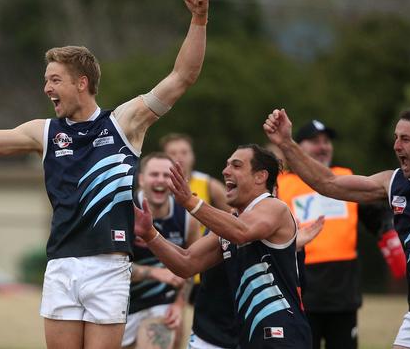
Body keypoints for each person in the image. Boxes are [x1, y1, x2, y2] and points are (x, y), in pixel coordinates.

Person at [0, 0, 208, 349]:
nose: (47, 88)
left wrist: (199, 19)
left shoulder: (124, 123)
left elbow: (181, 77)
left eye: (55, 80)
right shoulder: (44, 132)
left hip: (108, 266)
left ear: (82, 83)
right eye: (46, 80)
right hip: (62, 265)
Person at [264, 107, 410, 349]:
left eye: (405, 139)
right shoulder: (393, 183)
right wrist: (286, 143)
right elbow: (328, 183)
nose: (397, 146)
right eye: (396, 138)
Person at [135, 144, 313, 348]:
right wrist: (150, 235)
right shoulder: (230, 223)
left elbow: (242, 232)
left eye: (236, 166)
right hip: (248, 337)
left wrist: (190, 202)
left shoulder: (274, 207)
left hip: (282, 334)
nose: (225, 171)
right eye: (227, 165)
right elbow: (185, 263)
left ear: (260, 176)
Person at [276, 119, 405, 349]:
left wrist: (388, 232)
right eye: (315, 141)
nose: (323, 146)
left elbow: (375, 215)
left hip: (343, 293)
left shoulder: (344, 177)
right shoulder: (282, 184)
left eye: (326, 141)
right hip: (301, 290)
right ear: (298, 147)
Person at [123, 153, 199, 349]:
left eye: (167, 176)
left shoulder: (187, 219)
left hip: (161, 305)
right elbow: (108, 267)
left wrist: (179, 304)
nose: (160, 180)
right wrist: (156, 273)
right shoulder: (122, 212)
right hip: (120, 305)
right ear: (140, 179)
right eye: (154, 174)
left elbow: (192, 265)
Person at [160, 133, 229, 349]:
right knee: (169, 331)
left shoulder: (208, 184)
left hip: (203, 268)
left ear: (193, 156)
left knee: (198, 331)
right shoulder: (158, 185)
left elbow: (234, 219)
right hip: (168, 267)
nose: (179, 157)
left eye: (184, 152)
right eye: (173, 153)